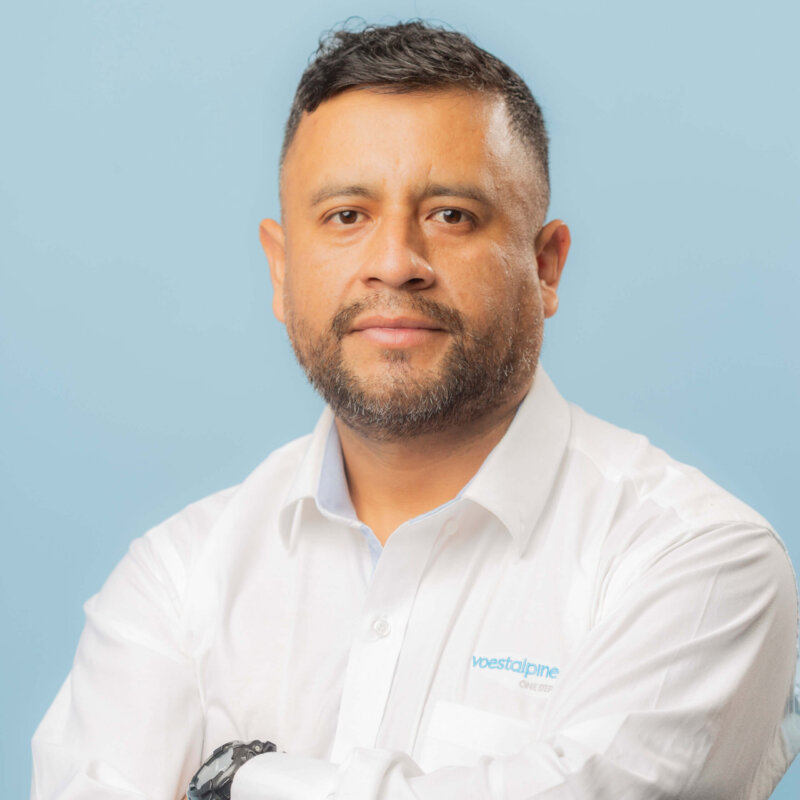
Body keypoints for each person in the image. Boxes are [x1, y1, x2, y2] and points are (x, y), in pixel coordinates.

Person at [31, 20, 799, 800]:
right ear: (281, 267)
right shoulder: (176, 581)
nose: (395, 262)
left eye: (451, 215)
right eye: (346, 216)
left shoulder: (701, 562)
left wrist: (237, 780)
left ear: (546, 266)